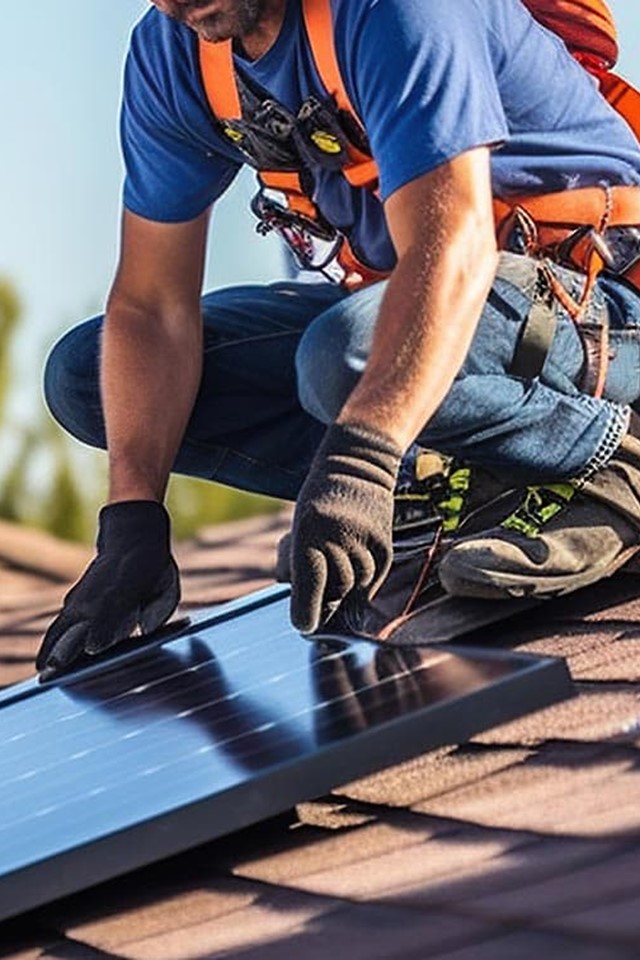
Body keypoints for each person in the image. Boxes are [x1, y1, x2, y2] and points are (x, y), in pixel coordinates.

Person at [36, 0, 640, 676]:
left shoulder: (394, 12)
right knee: (88, 379)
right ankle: (453, 478)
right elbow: (150, 307)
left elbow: (455, 249)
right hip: (444, 338)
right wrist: (132, 523)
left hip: (603, 319)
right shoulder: (175, 57)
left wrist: (361, 458)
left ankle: (612, 459)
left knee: (344, 357)